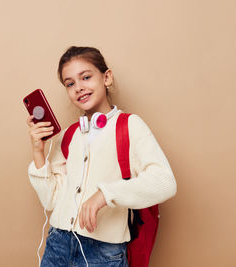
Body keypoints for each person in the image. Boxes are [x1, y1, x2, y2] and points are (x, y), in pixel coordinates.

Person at [26, 46, 177, 267]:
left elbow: (165, 182)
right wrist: (38, 152)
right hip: (58, 244)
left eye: (86, 77)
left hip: (103, 253)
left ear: (106, 77)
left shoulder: (130, 126)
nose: (79, 88)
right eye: (70, 83)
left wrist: (104, 195)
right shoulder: (69, 135)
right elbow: (51, 201)